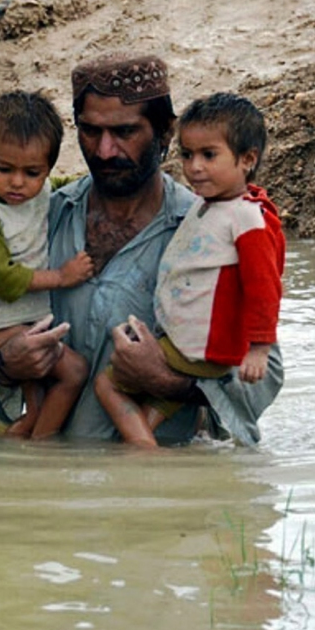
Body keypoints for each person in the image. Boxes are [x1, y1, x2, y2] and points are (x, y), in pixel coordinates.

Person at [0, 52, 284, 446]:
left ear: (165, 134)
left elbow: (264, 376)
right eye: (90, 132)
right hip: (49, 483)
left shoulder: (212, 228)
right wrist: (4, 366)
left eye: (124, 132)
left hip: (157, 488)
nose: (104, 151)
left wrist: (167, 382)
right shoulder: (40, 219)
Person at [95, 92, 285, 447]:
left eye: (208, 155)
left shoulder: (246, 216)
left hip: (198, 349)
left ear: (247, 159)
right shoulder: (211, 206)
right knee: (147, 422)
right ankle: (144, 453)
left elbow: (264, 285)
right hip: (187, 344)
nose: (194, 166)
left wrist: (259, 348)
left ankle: (143, 455)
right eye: (187, 154)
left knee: (106, 383)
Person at [0, 90, 95, 439]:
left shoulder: (41, 191)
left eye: (32, 172)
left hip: (26, 323)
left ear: (47, 168)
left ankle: (22, 447)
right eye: (4, 169)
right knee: (74, 372)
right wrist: (61, 277)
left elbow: (69, 189)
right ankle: (39, 453)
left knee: (39, 406)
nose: (17, 182)